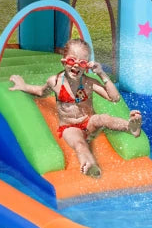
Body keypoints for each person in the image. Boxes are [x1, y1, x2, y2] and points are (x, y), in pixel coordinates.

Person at [9, 38, 142, 178]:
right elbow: (41, 92)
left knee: (102, 118)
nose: (76, 66)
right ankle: (89, 165)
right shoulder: (54, 82)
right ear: (64, 61)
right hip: (69, 127)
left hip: (88, 123)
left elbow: (114, 98)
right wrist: (23, 86)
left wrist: (101, 73)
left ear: (87, 66)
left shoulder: (89, 83)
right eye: (72, 60)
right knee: (79, 144)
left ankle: (131, 127)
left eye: (82, 63)